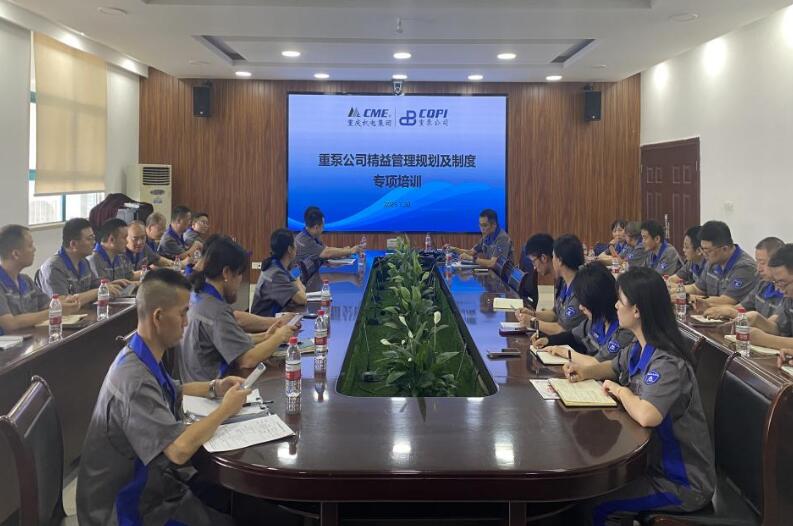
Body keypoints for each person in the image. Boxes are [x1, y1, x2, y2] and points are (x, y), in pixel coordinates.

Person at [76, 269, 244, 525]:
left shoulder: (141, 353)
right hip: (124, 509)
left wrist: (215, 387)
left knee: (233, 499)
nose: (186, 322)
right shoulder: (134, 380)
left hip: (154, 484)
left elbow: (174, 388)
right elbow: (178, 451)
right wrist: (226, 409)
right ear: (158, 317)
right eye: (182, 313)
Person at [564, 268, 715, 524]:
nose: (615, 305)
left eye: (620, 300)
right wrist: (585, 371)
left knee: (598, 506)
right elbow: (612, 367)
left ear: (637, 310)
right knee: (584, 493)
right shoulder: (638, 348)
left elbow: (647, 415)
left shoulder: (668, 362)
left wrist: (620, 390)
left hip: (681, 482)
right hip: (651, 465)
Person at [179, 236, 294, 382]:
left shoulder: (198, 295)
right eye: (240, 274)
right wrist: (279, 337)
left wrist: (265, 337)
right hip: (211, 389)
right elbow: (247, 360)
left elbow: (229, 340)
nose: (240, 281)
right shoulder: (216, 310)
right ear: (226, 273)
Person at [532, 262, 635, 365]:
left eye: (584, 303)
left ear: (596, 301)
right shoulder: (597, 319)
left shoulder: (624, 330)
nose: (580, 308)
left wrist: (564, 352)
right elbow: (573, 336)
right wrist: (548, 340)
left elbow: (597, 364)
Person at [0, 225, 80, 332]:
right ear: (16, 254)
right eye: (30, 245)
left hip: (31, 338)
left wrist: (67, 302)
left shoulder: (26, 281)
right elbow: (10, 323)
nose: (34, 249)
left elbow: (46, 305)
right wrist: (54, 311)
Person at [38, 218, 123, 304]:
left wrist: (109, 285)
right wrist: (98, 291)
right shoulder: (53, 268)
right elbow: (62, 303)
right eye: (89, 239)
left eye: (93, 238)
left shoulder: (84, 262)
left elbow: (94, 285)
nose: (94, 242)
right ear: (73, 244)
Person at [517, 234, 586, 335]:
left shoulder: (579, 289)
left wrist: (533, 322)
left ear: (559, 261)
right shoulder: (563, 282)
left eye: (554, 256)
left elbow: (563, 330)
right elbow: (555, 314)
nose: (552, 260)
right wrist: (533, 314)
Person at [703, 237, 785, 321]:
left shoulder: (787, 293)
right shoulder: (762, 285)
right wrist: (712, 307)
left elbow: (770, 325)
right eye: (757, 262)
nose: (758, 268)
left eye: (762, 263)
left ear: (777, 262)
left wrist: (731, 313)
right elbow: (741, 308)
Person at [683, 220, 757, 306]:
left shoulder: (745, 267)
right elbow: (697, 288)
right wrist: (675, 292)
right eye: (702, 249)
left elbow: (726, 301)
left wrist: (686, 297)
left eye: (707, 250)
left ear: (724, 249)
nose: (703, 253)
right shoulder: (713, 261)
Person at [742, 244, 793, 350]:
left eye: (783, 282)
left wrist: (764, 339)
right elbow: (780, 329)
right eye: (776, 282)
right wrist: (759, 320)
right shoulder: (789, 297)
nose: (780, 290)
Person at [251, 229, 307, 317]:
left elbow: (301, 289)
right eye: (295, 244)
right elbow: (302, 299)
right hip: (265, 322)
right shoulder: (276, 273)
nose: (296, 247)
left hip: (273, 317)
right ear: (289, 249)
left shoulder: (276, 264)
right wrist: (297, 280)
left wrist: (297, 283)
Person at [449, 209, 513, 269]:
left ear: (494, 225)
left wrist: (472, 258)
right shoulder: (487, 236)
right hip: (492, 272)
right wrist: (454, 249)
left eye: (485, 225)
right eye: (480, 225)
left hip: (502, 276)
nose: (482, 229)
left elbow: (492, 264)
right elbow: (471, 252)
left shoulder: (503, 238)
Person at [295, 207, 362, 263]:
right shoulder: (304, 240)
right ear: (316, 227)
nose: (323, 230)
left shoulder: (313, 235)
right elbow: (326, 253)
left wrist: (343, 251)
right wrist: (350, 251)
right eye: (323, 227)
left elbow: (326, 249)